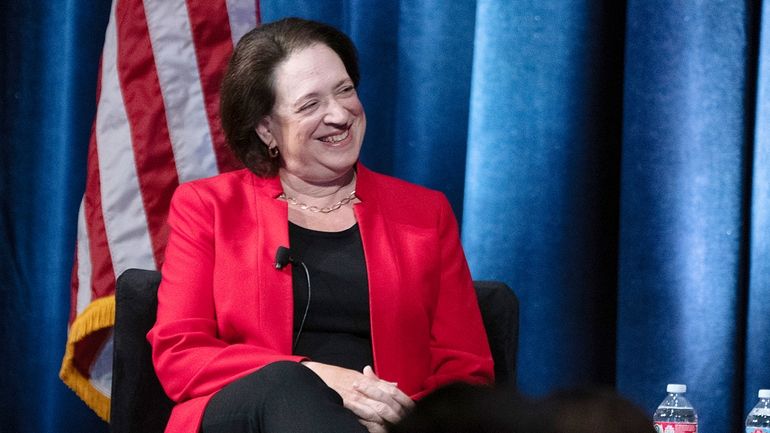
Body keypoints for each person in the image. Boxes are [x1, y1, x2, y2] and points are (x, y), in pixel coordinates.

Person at [147, 17, 494, 433]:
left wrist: (398, 416)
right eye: (310, 104)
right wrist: (322, 377)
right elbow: (180, 353)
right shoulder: (208, 207)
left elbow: (466, 368)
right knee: (286, 383)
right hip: (246, 417)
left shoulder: (425, 213)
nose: (339, 114)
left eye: (345, 90)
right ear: (266, 129)